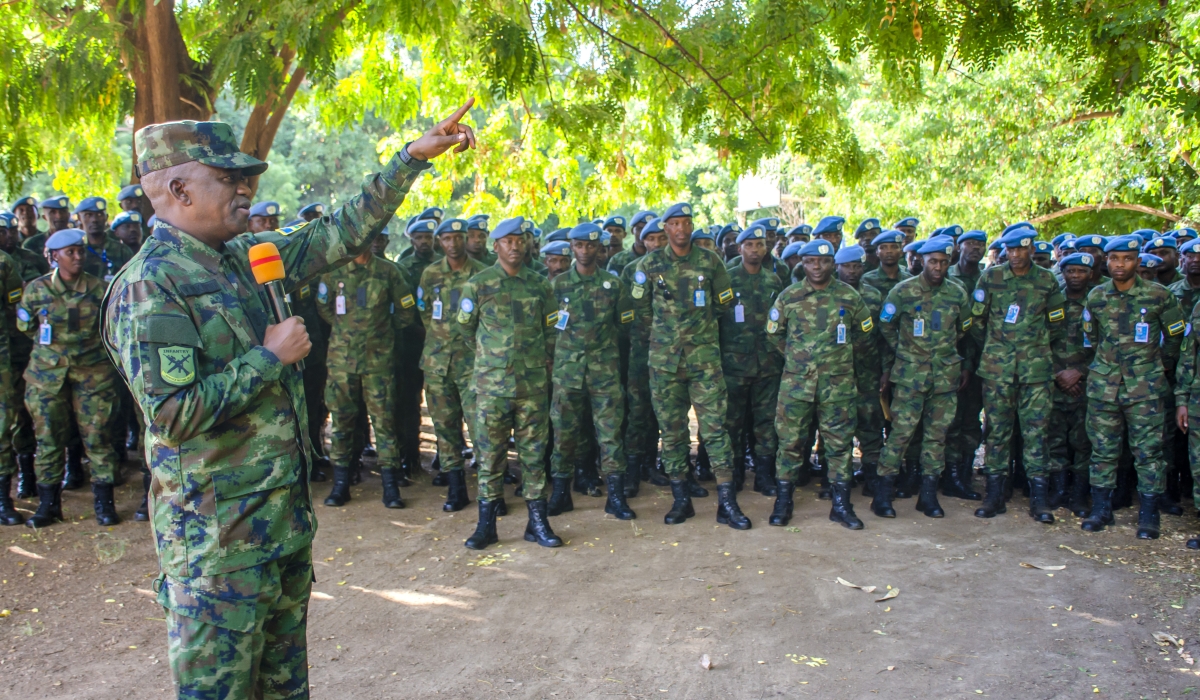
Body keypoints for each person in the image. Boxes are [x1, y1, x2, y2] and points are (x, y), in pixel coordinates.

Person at [102, 105, 475, 697]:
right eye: (228, 177)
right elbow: (172, 415)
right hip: (217, 549)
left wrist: (410, 159)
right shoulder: (152, 285)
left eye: (246, 176)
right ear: (177, 189)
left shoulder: (248, 260)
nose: (246, 188)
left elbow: (339, 230)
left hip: (281, 529)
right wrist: (268, 358)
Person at [631, 202, 746, 528]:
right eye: (675, 224)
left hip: (703, 361)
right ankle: (681, 500)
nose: (681, 229)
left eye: (686, 223)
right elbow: (640, 310)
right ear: (665, 229)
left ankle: (727, 504)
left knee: (715, 430)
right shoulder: (649, 264)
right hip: (665, 364)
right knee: (672, 432)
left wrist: (698, 332)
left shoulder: (710, 261)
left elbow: (724, 304)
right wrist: (666, 336)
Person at [458, 216, 562, 549]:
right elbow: (463, 330)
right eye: (508, 241)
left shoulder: (539, 284)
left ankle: (538, 523)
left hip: (532, 387)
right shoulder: (478, 284)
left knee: (533, 457)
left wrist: (537, 359)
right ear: (496, 246)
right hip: (492, 388)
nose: (515, 246)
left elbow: (551, 328)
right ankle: (486, 526)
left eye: (520, 240)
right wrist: (491, 359)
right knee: (490, 457)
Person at [1081, 235, 1185, 540]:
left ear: (1137, 262)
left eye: (1127, 259)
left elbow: (1176, 337)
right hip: (1104, 387)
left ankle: (1149, 516)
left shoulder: (1159, 296)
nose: (1120, 265)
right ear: (1106, 261)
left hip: (1145, 389)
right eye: (1114, 259)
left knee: (1149, 452)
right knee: (1102, 450)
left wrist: (1158, 364)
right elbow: (1091, 340)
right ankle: (1102, 510)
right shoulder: (1097, 297)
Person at [766, 238, 874, 528]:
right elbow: (775, 335)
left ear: (832, 264)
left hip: (837, 386)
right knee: (789, 444)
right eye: (811, 261)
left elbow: (864, 337)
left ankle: (841, 505)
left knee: (839, 446)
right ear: (803, 262)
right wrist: (798, 360)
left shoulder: (849, 297)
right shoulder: (788, 297)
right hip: (796, 386)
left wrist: (837, 360)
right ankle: (783, 501)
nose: (817, 266)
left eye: (824, 261)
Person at [20, 229, 121, 527]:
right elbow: (25, 326)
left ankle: (104, 505)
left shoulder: (100, 289)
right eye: (70, 252)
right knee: (48, 439)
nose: (78, 257)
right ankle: (48, 505)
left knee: (99, 438)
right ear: (53, 257)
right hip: (46, 377)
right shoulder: (37, 291)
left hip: (93, 375)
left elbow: (111, 328)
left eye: (80, 251)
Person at [317, 224, 419, 510]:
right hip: (341, 362)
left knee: (385, 422)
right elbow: (324, 308)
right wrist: (347, 332)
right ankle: (340, 485)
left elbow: (406, 312)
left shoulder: (389, 272)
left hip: (379, 362)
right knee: (342, 423)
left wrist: (381, 334)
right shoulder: (333, 273)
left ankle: (390, 486)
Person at [970, 227, 1068, 521]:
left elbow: (1057, 323)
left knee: (1036, 434)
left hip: (1035, 372)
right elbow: (977, 321)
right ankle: (994, 496)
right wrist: (996, 346)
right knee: (997, 433)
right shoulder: (991, 278)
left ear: (1031, 250)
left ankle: (1039, 501)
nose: (1015, 255)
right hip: (997, 371)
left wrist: (1032, 346)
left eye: (1021, 250)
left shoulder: (1046, 280)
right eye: (1010, 250)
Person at [873, 237, 971, 519]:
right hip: (910, 378)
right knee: (900, 436)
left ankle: (927, 496)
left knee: (936, 437)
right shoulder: (903, 291)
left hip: (944, 377)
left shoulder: (957, 292)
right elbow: (886, 325)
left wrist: (943, 352)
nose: (938, 267)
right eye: (932, 261)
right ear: (921, 261)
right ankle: (883, 495)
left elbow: (963, 328)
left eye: (943, 262)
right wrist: (904, 351)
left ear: (949, 262)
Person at [546, 222, 635, 519]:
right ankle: (561, 493)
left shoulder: (613, 284)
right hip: (567, 373)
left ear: (600, 249)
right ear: (572, 247)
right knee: (564, 434)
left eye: (591, 246)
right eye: (580, 245)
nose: (585, 251)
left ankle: (617, 496)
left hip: (604, 373)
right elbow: (546, 330)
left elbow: (625, 326)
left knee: (610, 435)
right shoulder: (558, 286)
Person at [418, 216, 487, 511]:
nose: (453, 244)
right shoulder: (430, 274)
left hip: (472, 363)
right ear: (440, 242)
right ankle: (456, 489)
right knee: (445, 427)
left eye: (459, 238)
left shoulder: (483, 275)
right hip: (437, 363)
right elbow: (423, 313)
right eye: (447, 239)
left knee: (481, 428)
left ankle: (489, 492)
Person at [720, 224, 784, 494]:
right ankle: (733, 474)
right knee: (732, 421)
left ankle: (763, 475)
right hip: (734, 364)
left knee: (766, 422)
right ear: (739, 248)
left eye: (759, 245)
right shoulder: (727, 279)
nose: (755, 249)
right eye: (749, 245)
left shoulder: (774, 281)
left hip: (768, 364)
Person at [0, 214, 48, 502]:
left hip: (7, 354)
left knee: (9, 416)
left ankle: (7, 497)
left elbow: (17, 308)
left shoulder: (5, 263)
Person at [620, 217, 669, 488]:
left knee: (659, 410)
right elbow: (626, 313)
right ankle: (632, 468)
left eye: (662, 238)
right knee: (637, 410)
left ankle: (652, 463)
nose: (657, 243)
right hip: (640, 350)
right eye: (651, 239)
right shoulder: (632, 270)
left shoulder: (676, 269)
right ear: (643, 241)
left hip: (669, 352)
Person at [834, 244, 886, 498]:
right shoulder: (829, 295)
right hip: (836, 372)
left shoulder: (874, 296)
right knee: (837, 425)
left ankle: (871, 476)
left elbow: (883, 335)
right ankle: (837, 479)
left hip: (866, 371)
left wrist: (885, 370)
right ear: (838, 267)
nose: (852, 271)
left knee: (870, 424)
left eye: (857, 266)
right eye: (847, 266)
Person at [1047, 252, 1096, 517]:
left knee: (1083, 442)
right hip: (1054, 382)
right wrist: (1059, 374)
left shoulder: (1099, 300)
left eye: (1081, 271)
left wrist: (1079, 372)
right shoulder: (1053, 300)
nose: (1075, 276)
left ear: (1090, 274)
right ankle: (1058, 490)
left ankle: (1078, 496)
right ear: (1063, 273)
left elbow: (1110, 344)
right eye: (1070, 271)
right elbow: (1039, 338)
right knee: (1054, 440)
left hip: (1087, 384)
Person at [942, 229, 987, 499]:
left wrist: (971, 363)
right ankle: (949, 475)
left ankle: (965, 472)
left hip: (986, 360)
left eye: (981, 244)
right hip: (951, 360)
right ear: (959, 247)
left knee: (971, 419)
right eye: (970, 244)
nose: (975, 249)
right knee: (950, 421)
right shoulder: (946, 276)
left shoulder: (989, 277)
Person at [395, 218, 441, 478]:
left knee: (443, 402)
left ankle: (444, 455)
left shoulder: (444, 266)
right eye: (419, 238)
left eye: (428, 237)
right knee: (409, 401)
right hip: (412, 344)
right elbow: (403, 306)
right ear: (411, 240)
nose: (424, 241)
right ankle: (410, 454)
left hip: (442, 344)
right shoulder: (403, 267)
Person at [862, 230, 912, 297]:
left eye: (894, 247)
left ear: (901, 252)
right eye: (883, 247)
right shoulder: (867, 280)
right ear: (877, 252)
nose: (889, 251)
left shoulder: (910, 280)